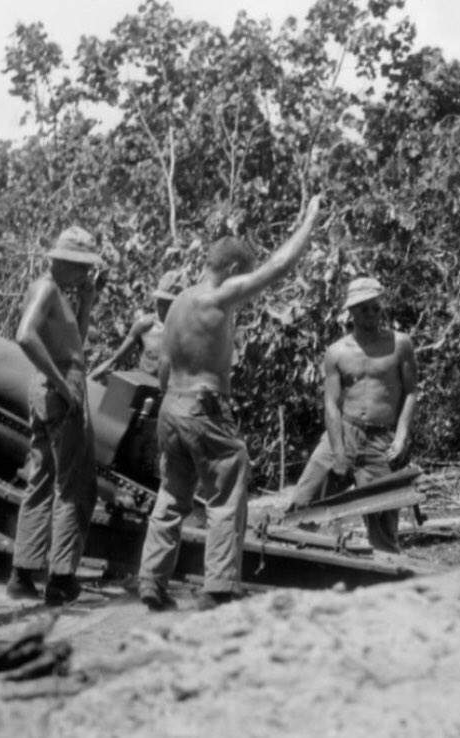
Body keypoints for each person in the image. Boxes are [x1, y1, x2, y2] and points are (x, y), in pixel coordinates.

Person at [138, 196, 324, 612]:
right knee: (227, 490)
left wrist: (174, 403)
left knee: (172, 495)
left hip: (172, 405)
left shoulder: (178, 302)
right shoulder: (217, 297)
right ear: (235, 269)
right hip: (203, 406)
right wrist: (310, 219)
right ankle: (219, 586)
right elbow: (279, 266)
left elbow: (164, 366)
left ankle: (152, 580)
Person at [7, 226, 102, 605]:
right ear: (60, 261)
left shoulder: (59, 293)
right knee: (75, 486)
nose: (84, 274)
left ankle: (23, 572)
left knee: (43, 478)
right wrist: (63, 386)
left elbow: (75, 343)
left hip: (53, 386)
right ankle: (61, 577)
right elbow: (25, 335)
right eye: (80, 267)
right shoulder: (47, 289)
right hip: (59, 388)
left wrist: (87, 302)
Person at [290, 277, 418, 552]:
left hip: (381, 441)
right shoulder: (337, 352)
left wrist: (401, 437)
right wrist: (339, 453)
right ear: (352, 312)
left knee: (383, 526)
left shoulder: (400, 344)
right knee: (302, 505)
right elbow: (331, 404)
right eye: (364, 309)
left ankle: (384, 571)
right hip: (343, 432)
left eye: (376, 308)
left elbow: (411, 392)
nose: (372, 314)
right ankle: (294, 562)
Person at [90, 270, 181, 379]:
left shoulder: (185, 333)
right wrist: (88, 380)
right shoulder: (145, 325)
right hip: (142, 384)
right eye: (160, 300)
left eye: (167, 302)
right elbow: (115, 361)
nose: (160, 305)